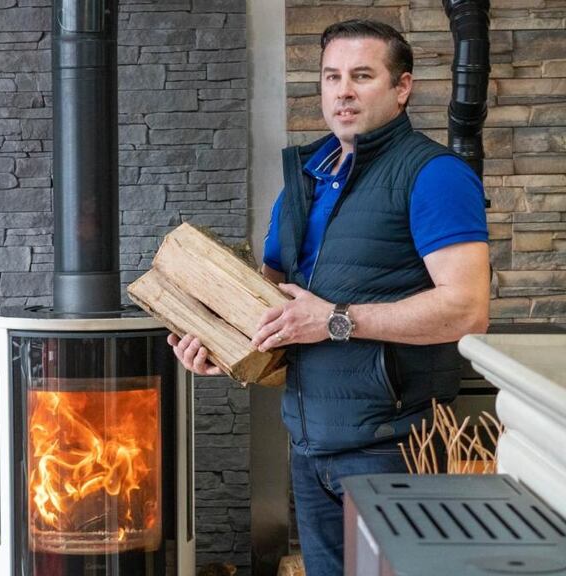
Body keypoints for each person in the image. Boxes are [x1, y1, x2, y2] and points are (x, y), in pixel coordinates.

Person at [168, 19, 490, 576]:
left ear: (402, 87)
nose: (343, 90)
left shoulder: (435, 175)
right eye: (332, 76)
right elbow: (268, 303)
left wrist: (336, 320)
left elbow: (467, 310)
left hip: (395, 447)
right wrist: (220, 347)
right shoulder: (304, 178)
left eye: (362, 76)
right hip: (310, 443)